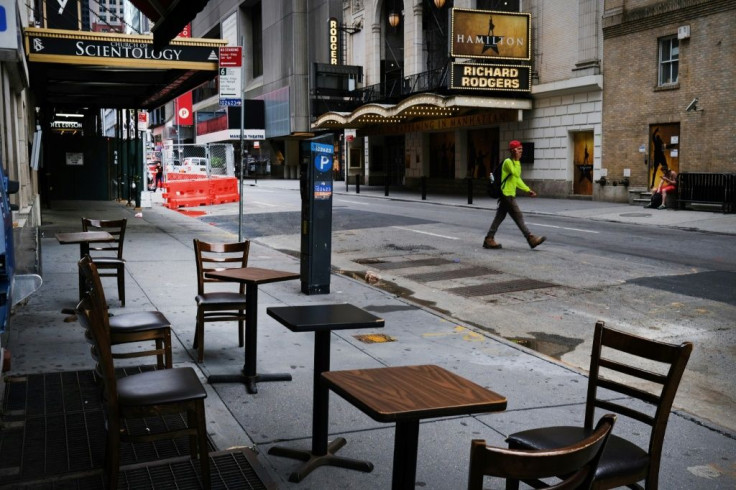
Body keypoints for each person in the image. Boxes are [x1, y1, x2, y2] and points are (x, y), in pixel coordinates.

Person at [483, 140, 546, 250]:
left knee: (500, 216)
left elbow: (517, 179)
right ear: (513, 151)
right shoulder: (508, 162)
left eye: (521, 149)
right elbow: (516, 173)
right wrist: (516, 160)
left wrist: (527, 190)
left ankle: (489, 238)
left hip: (509, 194)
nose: (521, 151)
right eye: (519, 149)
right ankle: (531, 238)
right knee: (518, 216)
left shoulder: (516, 163)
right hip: (506, 194)